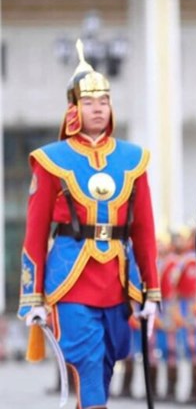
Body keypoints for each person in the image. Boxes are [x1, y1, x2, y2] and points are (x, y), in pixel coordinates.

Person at [17, 39, 160, 409]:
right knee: (87, 361)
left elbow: (144, 230)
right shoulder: (50, 160)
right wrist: (32, 296)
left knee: (108, 360)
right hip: (70, 278)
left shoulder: (133, 158)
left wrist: (153, 291)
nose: (98, 108)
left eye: (104, 101)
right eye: (90, 102)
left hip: (119, 279)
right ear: (74, 108)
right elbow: (35, 232)